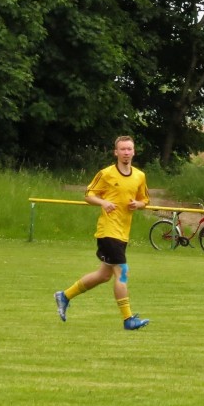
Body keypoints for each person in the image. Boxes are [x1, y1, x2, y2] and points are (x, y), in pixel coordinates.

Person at [53, 136, 150, 330]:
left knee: (103, 275)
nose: (126, 152)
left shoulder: (139, 176)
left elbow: (145, 200)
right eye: (122, 149)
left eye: (129, 149)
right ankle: (128, 319)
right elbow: (88, 195)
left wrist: (138, 204)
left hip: (123, 232)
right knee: (122, 271)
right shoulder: (106, 174)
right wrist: (103, 202)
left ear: (134, 152)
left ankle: (65, 295)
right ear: (116, 152)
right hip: (108, 231)